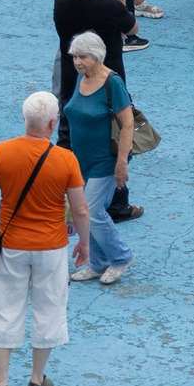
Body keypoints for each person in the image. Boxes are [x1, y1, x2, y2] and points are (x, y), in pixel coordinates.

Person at [0, 90, 91, 386]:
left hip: (11, 244)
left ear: (25, 119)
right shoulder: (66, 159)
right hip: (51, 246)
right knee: (49, 307)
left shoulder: (2, 152)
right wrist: (84, 242)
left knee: (5, 307)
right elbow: (80, 210)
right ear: (52, 123)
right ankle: (37, 380)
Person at [60, 30, 135, 283]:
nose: (77, 62)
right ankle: (98, 262)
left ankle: (121, 256)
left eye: (82, 57)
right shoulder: (80, 79)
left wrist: (121, 163)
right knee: (83, 210)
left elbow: (127, 124)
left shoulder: (113, 83)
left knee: (92, 211)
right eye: (74, 57)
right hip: (80, 160)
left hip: (105, 161)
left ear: (97, 56)